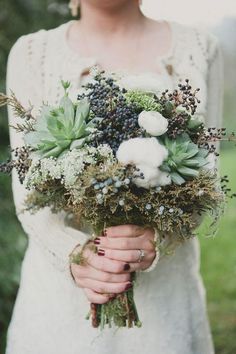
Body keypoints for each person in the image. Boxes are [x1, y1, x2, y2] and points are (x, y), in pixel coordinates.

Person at [6, 0, 223, 353]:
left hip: (166, 306)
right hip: (57, 308)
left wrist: (158, 242)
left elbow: (205, 175)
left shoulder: (200, 49)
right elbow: (27, 189)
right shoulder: (32, 53)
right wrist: (74, 257)